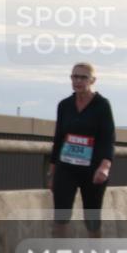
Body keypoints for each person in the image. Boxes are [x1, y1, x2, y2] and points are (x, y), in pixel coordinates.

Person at [50, 62, 115, 238]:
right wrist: (52, 171)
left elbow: (108, 139)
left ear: (92, 80)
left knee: (92, 219)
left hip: (92, 169)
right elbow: (58, 139)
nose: (78, 81)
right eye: (74, 76)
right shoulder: (64, 105)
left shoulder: (102, 105)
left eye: (83, 77)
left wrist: (104, 166)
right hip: (66, 167)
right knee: (60, 217)